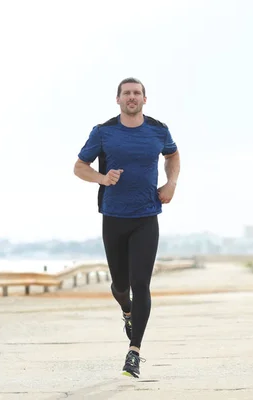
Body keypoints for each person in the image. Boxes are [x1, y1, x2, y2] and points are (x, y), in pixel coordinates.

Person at [73, 77, 180, 378]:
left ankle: (134, 352)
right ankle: (127, 310)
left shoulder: (159, 130)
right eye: (126, 94)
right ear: (118, 99)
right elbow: (80, 166)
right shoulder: (104, 132)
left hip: (146, 216)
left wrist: (171, 183)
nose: (131, 97)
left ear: (145, 99)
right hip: (114, 218)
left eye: (137, 93)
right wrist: (102, 178)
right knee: (120, 286)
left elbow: (172, 155)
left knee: (141, 283)